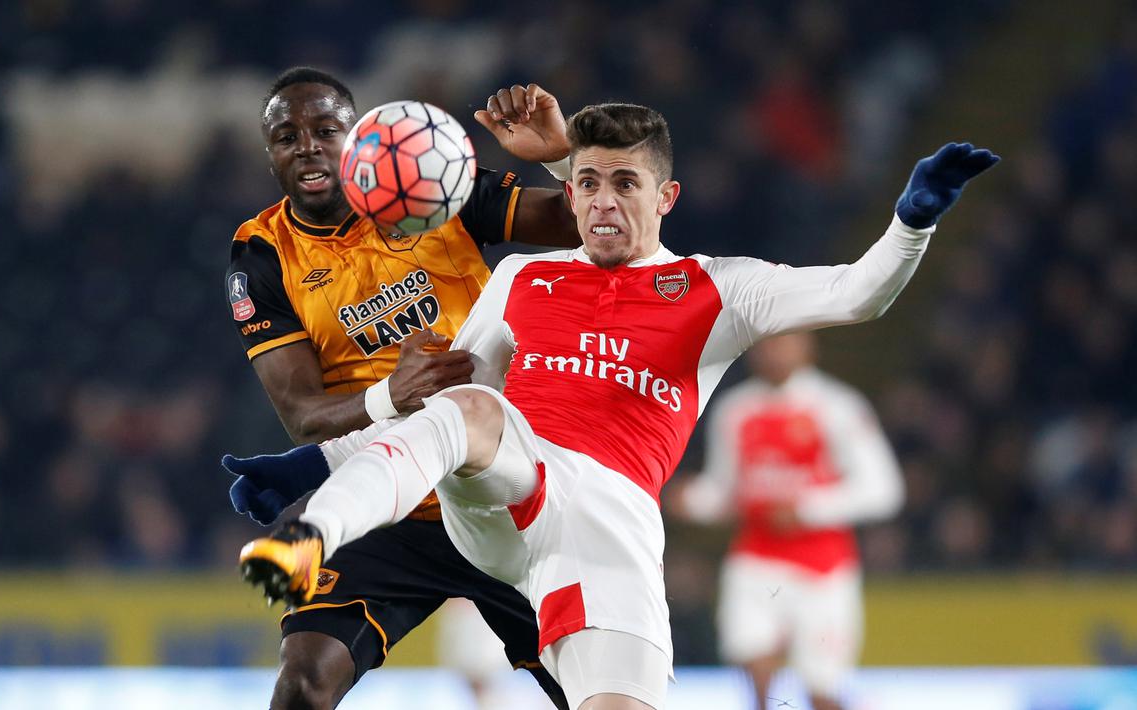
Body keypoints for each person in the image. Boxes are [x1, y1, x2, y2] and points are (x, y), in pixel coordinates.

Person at [233, 87, 998, 709]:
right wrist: (311, 469)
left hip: (603, 525)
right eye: (587, 184)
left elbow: (855, 294)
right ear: (568, 194)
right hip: (505, 492)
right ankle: (310, 538)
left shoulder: (717, 287)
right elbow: (441, 409)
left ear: (664, 196)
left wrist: (910, 223)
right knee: (468, 408)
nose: (601, 202)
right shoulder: (523, 278)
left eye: (623, 184)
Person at [223, 67, 581, 710]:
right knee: (303, 684)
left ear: (357, 135)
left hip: (500, 486)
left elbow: (580, 222)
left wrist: (561, 159)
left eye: (325, 130)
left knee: (596, 694)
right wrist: (392, 393)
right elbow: (303, 416)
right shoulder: (262, 253)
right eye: (285, 136)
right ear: (270, 154)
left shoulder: (429, 179)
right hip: (387, 500)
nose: (305, 145)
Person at [672, 331, 903, 710]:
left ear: (807, 345)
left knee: (821, 689)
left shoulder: (838, 406)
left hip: (823, 567)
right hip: (756, 558)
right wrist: (692, 500)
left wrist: (807, 509)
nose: (773, 352)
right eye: (766, 343)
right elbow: (726, 489)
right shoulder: (735, 410)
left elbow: (883, 489)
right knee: (755, 663)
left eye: (784, 341)